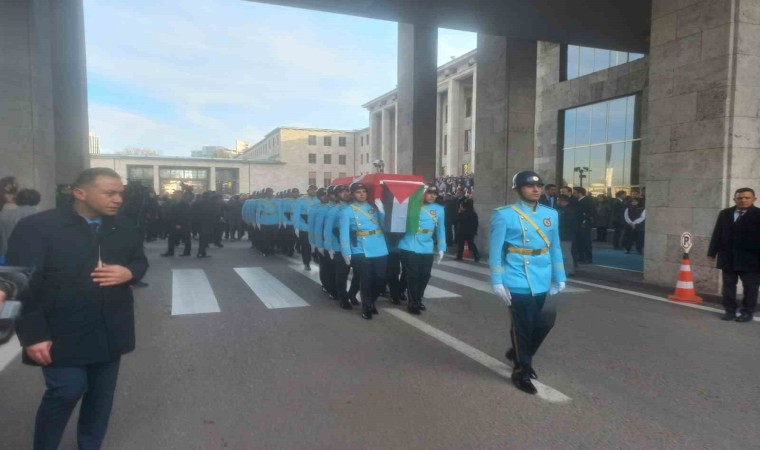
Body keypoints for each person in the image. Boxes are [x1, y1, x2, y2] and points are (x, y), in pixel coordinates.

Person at [6, 167, 148, 449]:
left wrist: (129, 273)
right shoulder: (38, 227)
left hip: (110, 326)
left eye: (120, 193)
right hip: (60, 329)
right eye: (110, 193)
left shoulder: (124, 226)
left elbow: (140, 261)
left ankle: (90, 444)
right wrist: (32, 335)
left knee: (100, 396)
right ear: (79, 193)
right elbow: (18, 281)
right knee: (66, 390)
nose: (118, 199)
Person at [489, 171, 566, 395]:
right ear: (519, 189)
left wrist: (560, 276)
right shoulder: (504, 215)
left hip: (543, 275)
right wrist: (497, 281)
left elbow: (555, 247)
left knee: (545, 322)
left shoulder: (550, 214)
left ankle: (518, 353)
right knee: (523, 325)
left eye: (539, 186)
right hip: (516, 275)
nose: (536, 189)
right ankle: (522, 369)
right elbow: (495, 251)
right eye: (529, 186)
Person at [708, 188, 760, 322]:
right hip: (728, 257)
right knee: (728, 286)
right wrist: (711, 253)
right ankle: (729, 311)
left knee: (750, 287)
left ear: (754, 199)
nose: (743, 200)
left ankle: (747, 312)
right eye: (740, 197)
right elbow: (717, 234)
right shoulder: (725, 214)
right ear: (734, 199)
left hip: (752, 259)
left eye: (747, 197)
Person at [339, 182, 388, 320]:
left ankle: (371, 300)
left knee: (380, 279)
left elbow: (385, 226)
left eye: (364, 192)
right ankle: (367, 306)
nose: (362, 194)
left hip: (379, 246)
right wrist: (346, 251)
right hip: (361, 248)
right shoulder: (347, 211)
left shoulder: (374, 207)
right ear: (353, 195)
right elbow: (344, 233)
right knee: (366, 279)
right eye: (358, 192)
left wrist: (382, 211)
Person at [398, 185, 446, 314]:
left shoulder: (439, 210)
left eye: (435, 194)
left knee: (425, 275)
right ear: (423, 193)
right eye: (430, 193)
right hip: (409, 244)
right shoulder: (411, 206)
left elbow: (441, 230)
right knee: (413, 276)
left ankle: (418, 299)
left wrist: (442, 248)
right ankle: (413, 303)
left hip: (427, 246)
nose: (433, 196)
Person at [1, 189, 41, 260]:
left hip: (7, 257)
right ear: (37, 200)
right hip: (34, 256)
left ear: (17, 199)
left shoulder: (4, 216)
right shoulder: (41, 216)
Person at [293, 185, 319, 270]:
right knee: (306, 246)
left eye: (314, 190)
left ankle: (316, 257)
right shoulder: (301, 201)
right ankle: (306, 262)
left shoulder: (319, 200)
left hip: (316, 227)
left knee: (317, 244)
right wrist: (296, 227)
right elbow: (296, 214)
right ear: (307, 191)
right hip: (304, 227)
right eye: (311, 190)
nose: (313, 191)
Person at [161, 191, 192, 257]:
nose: (174, 195)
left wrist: (179, 223)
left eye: (175, 194)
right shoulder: (175, 202)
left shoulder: (183, 203)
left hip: (181, 223)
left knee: (185, 238)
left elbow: (184, 214)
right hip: (175, 222)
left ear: (180, 195)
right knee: (172, 237)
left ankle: (186, 252)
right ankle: (171, 251)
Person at [572, 186, 595, 264]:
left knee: (586, 241)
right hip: (577, 224)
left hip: (585, 224)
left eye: (575, 192)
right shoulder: (577, 201)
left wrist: (585, 221)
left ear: (580, 193)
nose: (573, 194)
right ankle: (581, 257)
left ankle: (588, 258)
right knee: (579, 241)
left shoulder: (588, 201)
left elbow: (590, 213)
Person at [557, 194, 578, 275]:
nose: (557, 202)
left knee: (566, 253)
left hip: (565, 234)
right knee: (565, 252)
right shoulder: (567, 210)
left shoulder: (567, 211)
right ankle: (567, 269)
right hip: (566, 234)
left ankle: (569, 270)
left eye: (558, 200)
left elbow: (565, 223)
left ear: (562, 201)